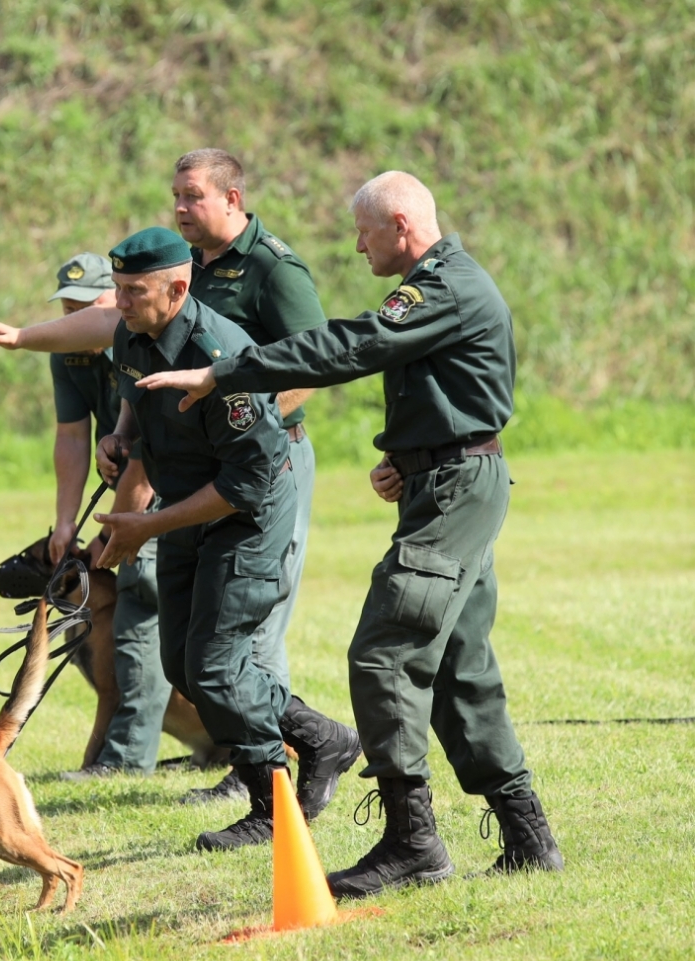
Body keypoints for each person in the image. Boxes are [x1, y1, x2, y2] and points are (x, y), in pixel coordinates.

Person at [134, 172, 564, 893]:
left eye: (364, 231)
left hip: (457, 490)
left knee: (384, 651)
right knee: (459, 662)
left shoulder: (441, 286)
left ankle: (412, 844)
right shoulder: (441, 284)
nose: (355, 244)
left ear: (399, 224)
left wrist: (232, 372)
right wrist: (409, 459)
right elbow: (448, 389)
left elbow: (353, 345)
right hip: (447, 483)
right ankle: (527, 833)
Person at [0, 228, 358, 849]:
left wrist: (144, 526)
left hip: (245, 516)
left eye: (132, 291)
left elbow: (247, 484)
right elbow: (135, 401)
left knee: (218, 666)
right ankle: (323, 737)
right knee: (183, 665)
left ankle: (269, 798)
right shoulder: (132, 332)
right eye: (115, 289)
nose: (118, 302)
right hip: (186, 508)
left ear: (177, 288)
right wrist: (119, 438)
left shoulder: (223, 354)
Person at [161, 148, 349, 804]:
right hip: (206, 470)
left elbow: (313, 367)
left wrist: (250, 433)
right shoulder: (187, 269)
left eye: (194, 197)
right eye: (177, 197)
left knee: (251, 622)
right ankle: (261, 758)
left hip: (270, 463)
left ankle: (263, 772)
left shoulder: (272, 268)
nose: (181, 208)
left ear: (233, 199)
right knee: (203, 634)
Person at [39, 253, 170, 780]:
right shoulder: (68, 350)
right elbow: (72, 436)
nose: (72, 320)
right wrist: (66, 522)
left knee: (142, 605)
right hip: (126, 480)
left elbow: (154, 447)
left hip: (164, 480)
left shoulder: (141, 340)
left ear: (113, 299)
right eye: (65, 309)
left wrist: (116, 529)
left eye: (82, 308)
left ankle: (126, 759)